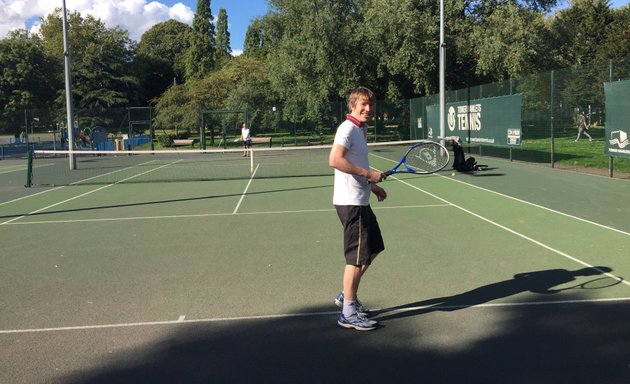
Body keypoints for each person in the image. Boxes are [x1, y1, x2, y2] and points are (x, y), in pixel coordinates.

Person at [328, 86, 387, 331]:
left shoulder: (360, 130)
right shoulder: (348, 128)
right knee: (355, 258)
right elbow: (335, 159)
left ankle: (346, 294)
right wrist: (368, 174)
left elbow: (355, 163)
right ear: (352, 105)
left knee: (373, 248)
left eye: (371, 105)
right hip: (351, 203)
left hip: (361, 200)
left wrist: (372, 186)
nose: (368, 109)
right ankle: (348, 312)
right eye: (363, 104)